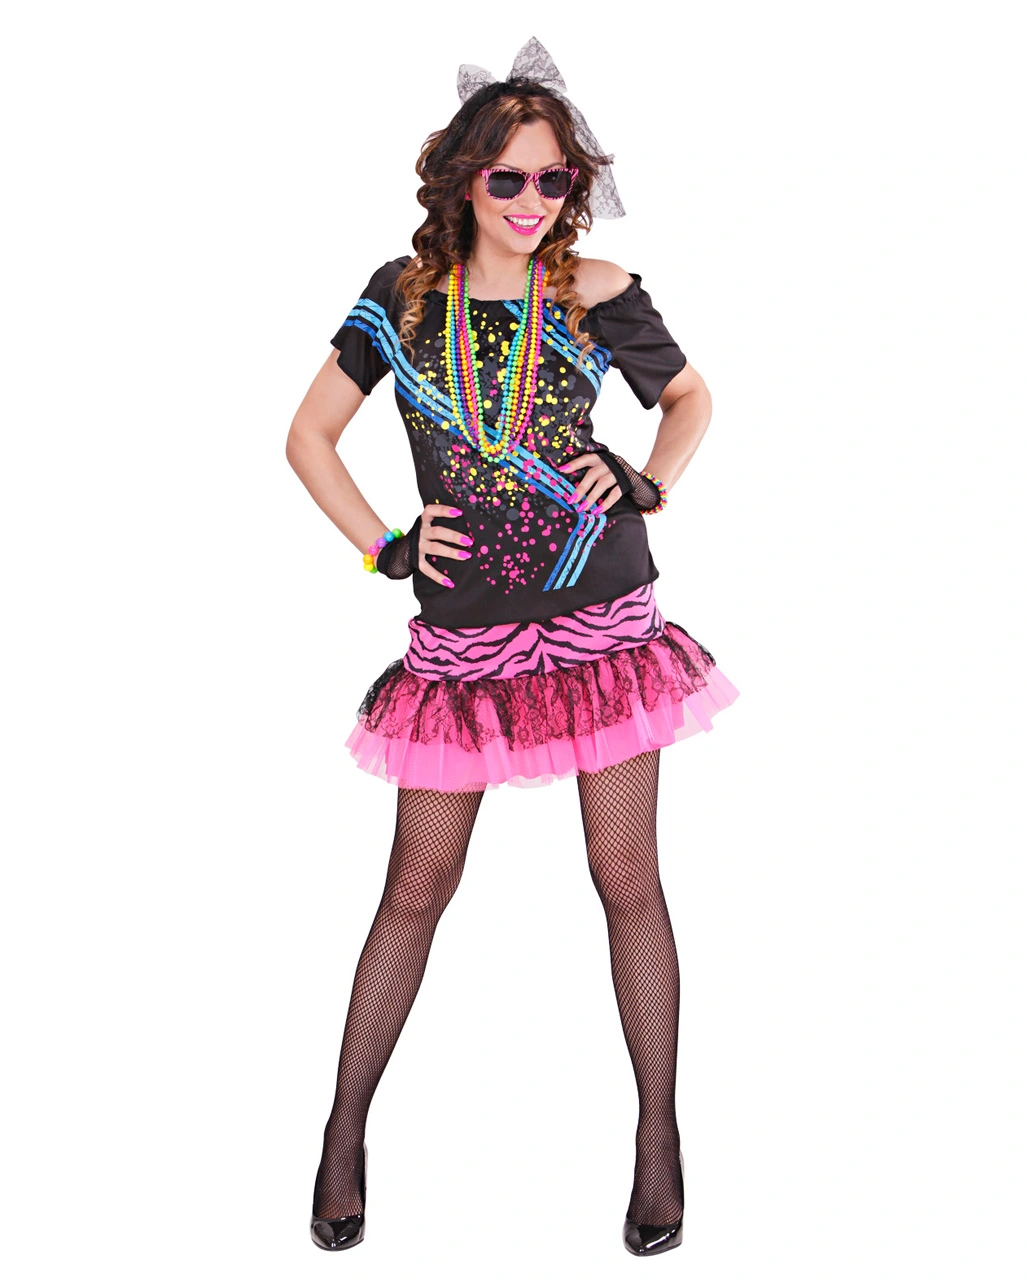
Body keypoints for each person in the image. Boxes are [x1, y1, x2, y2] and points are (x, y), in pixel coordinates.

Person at [285, 37, 741, 1257]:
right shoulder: (403, 299)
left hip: (601, 628)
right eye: (507, 179)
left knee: (626, 875)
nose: (532, 201)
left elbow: (691, 398)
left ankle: (658, 1139)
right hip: (465, 640)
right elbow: (308, 437)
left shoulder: (595, 289)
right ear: (462, 179)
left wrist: (648, 481)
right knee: (416, 883)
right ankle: (342, 1130)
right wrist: (386, 546)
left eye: (553, 179)